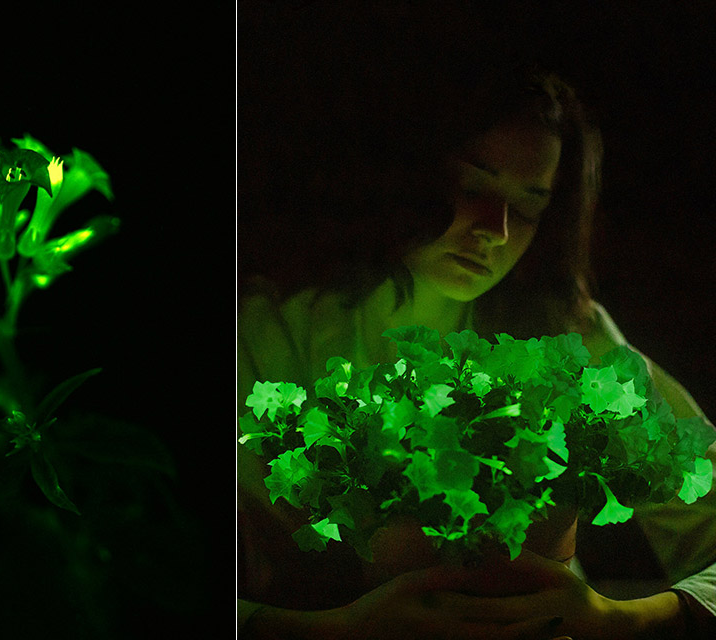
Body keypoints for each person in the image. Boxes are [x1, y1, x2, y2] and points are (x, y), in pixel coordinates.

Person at [236, 3, 716, 638]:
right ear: (409, 174)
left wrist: (621, 618)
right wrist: (335, 631)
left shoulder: (568, 338)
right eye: (473, 186)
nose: (497, 231)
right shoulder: (273, 332)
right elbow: (132, 573)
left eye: (531, 204)